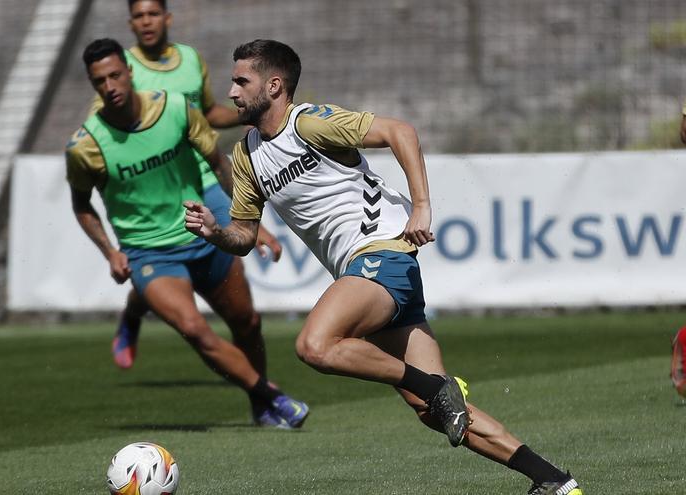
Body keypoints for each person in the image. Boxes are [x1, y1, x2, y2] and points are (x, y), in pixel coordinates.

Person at [184, 39, 583, 494]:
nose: (231, 92)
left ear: (274, 86)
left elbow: (401, 131)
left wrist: (421, 207)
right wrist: (216, 233)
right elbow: (245, 236)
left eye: (241, 81)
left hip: (382, 254)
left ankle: (437, 387)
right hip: (369, 273)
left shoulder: (309, 122)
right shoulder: (246, 156)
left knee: (315, 345)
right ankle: (553, 480)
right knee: (434, 412)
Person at [65, 38, 308, 428]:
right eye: (99, 81)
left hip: (201, 234)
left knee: (247, 322)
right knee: (195, 329)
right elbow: (81, 205)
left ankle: (260, 407)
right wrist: (110, 251)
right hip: (149, 253)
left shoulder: (175, 108)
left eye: (114, 75)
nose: (109, 86)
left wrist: (250, 223)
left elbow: (216, 164)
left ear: (130, 72)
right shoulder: (85, 146)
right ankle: (272, 396)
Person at [100, 0, 282, 369]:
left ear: (167, 18)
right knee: (159, 264)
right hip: (160, 188)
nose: (147, 21)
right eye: (139, 16)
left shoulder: (189, 59)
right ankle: (134, 316)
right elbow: (104, 127)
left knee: (243, 309)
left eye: (153, 13)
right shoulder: (120, 71)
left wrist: (243, 113)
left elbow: (208, 112)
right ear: (130, 23)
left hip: (205, 177)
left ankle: (263, 400)